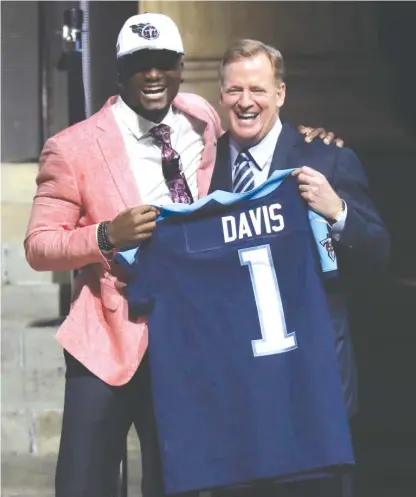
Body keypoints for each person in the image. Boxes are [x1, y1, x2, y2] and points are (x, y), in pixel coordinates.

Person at [25, 13, 346, 497]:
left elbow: (255, 124)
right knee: (83, 483)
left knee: (177, 481)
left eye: (162, 63)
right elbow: (38, 245)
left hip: (188, 341)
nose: (152, 76)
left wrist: (310, 135)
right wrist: (106, 235)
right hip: (107, 342)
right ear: (118, 71)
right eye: (139, 64)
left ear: (179, 67)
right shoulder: (71, 147)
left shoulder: (202, 119)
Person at [208, 39, 390, 497]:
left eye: (258, 89)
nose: (245, 101)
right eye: (234, 91)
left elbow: (377, 252)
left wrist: (338, 211)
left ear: (282, 94)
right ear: (220, 95)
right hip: (236, 396)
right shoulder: (201, 170)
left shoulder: (326, 157)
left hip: (316, 388)